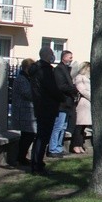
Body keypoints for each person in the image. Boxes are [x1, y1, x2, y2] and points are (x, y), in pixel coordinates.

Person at [29, 47, 60, 175]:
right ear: (47, 56)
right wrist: (61, 97)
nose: (53, 56)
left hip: (41, 106)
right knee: (43, 137)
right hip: (47, 106)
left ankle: (36, 163)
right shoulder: (45, 70)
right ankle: (37, 165)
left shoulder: (36, 69)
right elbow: (51, 88)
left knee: (41, 136)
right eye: (52, 54)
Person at [49, 50, 78, 158]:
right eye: (70, 57)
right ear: (64, 57)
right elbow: (61, 86)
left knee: (63, 126)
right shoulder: (59, 70)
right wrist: (73, 89)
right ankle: (53, 148)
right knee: (58, 126)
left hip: (66, 103)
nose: (71, 59)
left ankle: (59, 147)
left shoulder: (65, 69)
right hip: (61, 103)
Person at [11, 58, 37, 166]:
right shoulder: (21, 79)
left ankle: (22, 157)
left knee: (28, 135)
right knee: (28, 135)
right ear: (27, 68)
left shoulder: (28, 78)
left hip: (28, 111)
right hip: (23, 111)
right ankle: (21, 157)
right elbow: (28, 94)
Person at [71, 62, 91, 154]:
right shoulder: (79, 77)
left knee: (83, 127)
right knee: (79, 126)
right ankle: (75, 145)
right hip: (82, 103)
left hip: (88, 104)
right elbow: (81, 90)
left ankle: (80, 145)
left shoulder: (87, 78)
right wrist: (91, 96)